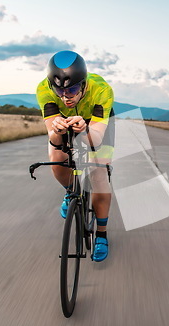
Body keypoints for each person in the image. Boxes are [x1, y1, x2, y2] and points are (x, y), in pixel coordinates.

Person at [36, 50, 114, 262]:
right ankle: (71, 191)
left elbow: (96, 139)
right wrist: (57, 131)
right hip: (63, 120)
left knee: (99, 176)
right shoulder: (44, 89)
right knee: (57, 159)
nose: (65, 96)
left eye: (71, 89)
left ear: (83, 83)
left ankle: (102, 235)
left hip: (95, 124)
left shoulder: (102, 90)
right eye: (59, 91)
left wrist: (85, 131)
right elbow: (54, 139)